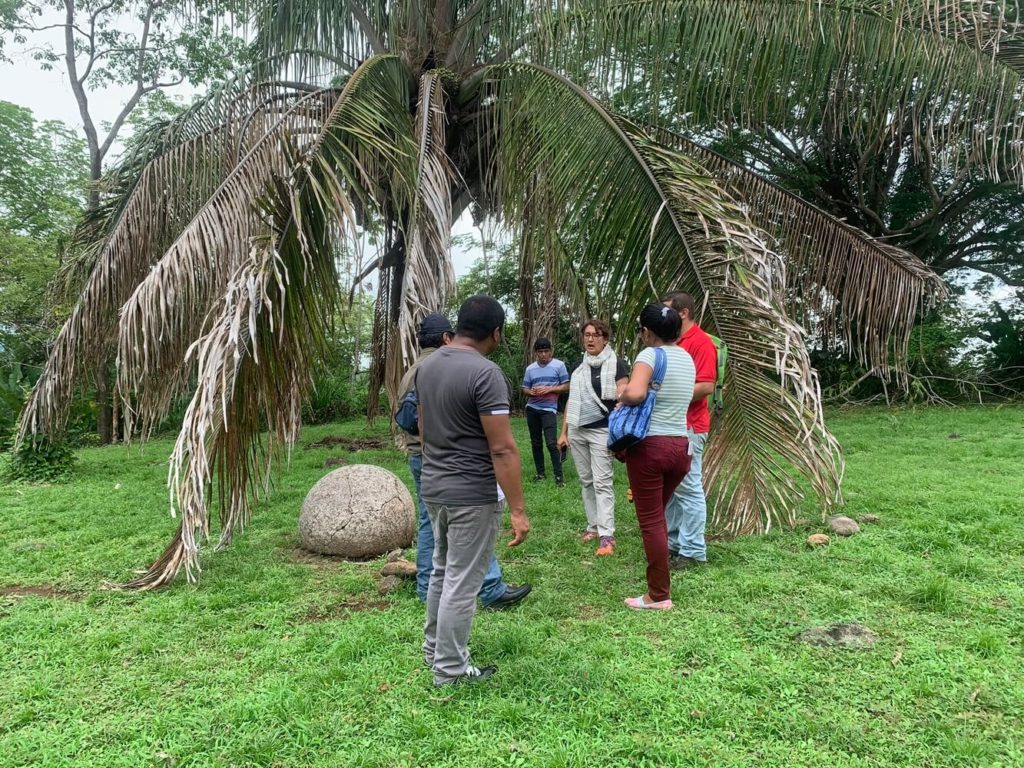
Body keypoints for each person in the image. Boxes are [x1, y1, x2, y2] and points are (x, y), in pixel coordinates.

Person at [417, 296, 532, 686]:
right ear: (496, 333)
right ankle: (450, 670)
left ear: (460, 325)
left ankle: (434, 651)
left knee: (442, 571)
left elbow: (423, 430)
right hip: (471, 493)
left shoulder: (428, 366)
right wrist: (518, 510)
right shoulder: (486, 373)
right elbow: (502, 448)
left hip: (434, 486)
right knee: (462, 582)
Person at [397, 312, 532, 611]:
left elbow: (418, 423)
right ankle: (490, 588)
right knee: (468, 542)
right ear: (446, 337)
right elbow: (501, 447)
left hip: (425, 459)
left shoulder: (418, 370)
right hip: (459, 470)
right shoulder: (475, 370)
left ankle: (426, 587)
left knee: (430, 527)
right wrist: (518, 510)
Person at [617, 304, 695, 610]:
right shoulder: (686, 358)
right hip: (681, 446)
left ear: (647, 332)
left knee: (651, 522)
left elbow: (636, 394)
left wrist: (622, 393)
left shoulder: (649, 355)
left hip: (651, 447)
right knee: (657, 517)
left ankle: (658, 595)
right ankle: (658, 585)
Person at [557, 319, 628, 556]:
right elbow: (572, 400)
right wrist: (564, 431)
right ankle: (593, 527)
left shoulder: (617, 364)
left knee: (602, 482)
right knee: (586, 480)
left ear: (605, 339)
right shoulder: (579, 366)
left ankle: (607, 534)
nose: (590, 339)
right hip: (577, 429)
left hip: (601, 430)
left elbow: (623, 396)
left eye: (596, 335)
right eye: (587, 334)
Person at [660, 291, 718, 570]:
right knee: (672, 488)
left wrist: (666, 395)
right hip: (671, 425)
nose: (663, 317)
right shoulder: (673, 342)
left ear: (683, 313)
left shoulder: (700, 342)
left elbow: (706, 386)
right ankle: (674, 544)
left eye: (667, 311)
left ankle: (693, 550)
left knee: (689, 486)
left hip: (691, 426)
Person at [521, 338, 570, 487]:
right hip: (532, 408)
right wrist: (531, 392)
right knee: (536, 443)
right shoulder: (530, 369)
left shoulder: (559, 365)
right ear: (536, 352)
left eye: (546, 351)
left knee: (551, 443)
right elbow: (524, 388)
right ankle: (540, 473)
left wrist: (549, 389)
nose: (543, 355)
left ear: (551, 351)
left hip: (549, 409)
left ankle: (559, 476)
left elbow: (567, 386)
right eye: (540, 352)